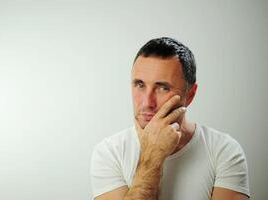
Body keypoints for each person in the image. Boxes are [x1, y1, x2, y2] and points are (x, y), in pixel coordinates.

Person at [90, 37, 250, 200]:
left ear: (190, 95)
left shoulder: (224, 151)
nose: (147, 102)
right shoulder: (109, 153)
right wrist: (152, 158)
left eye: (163, 88)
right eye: (140, 84)